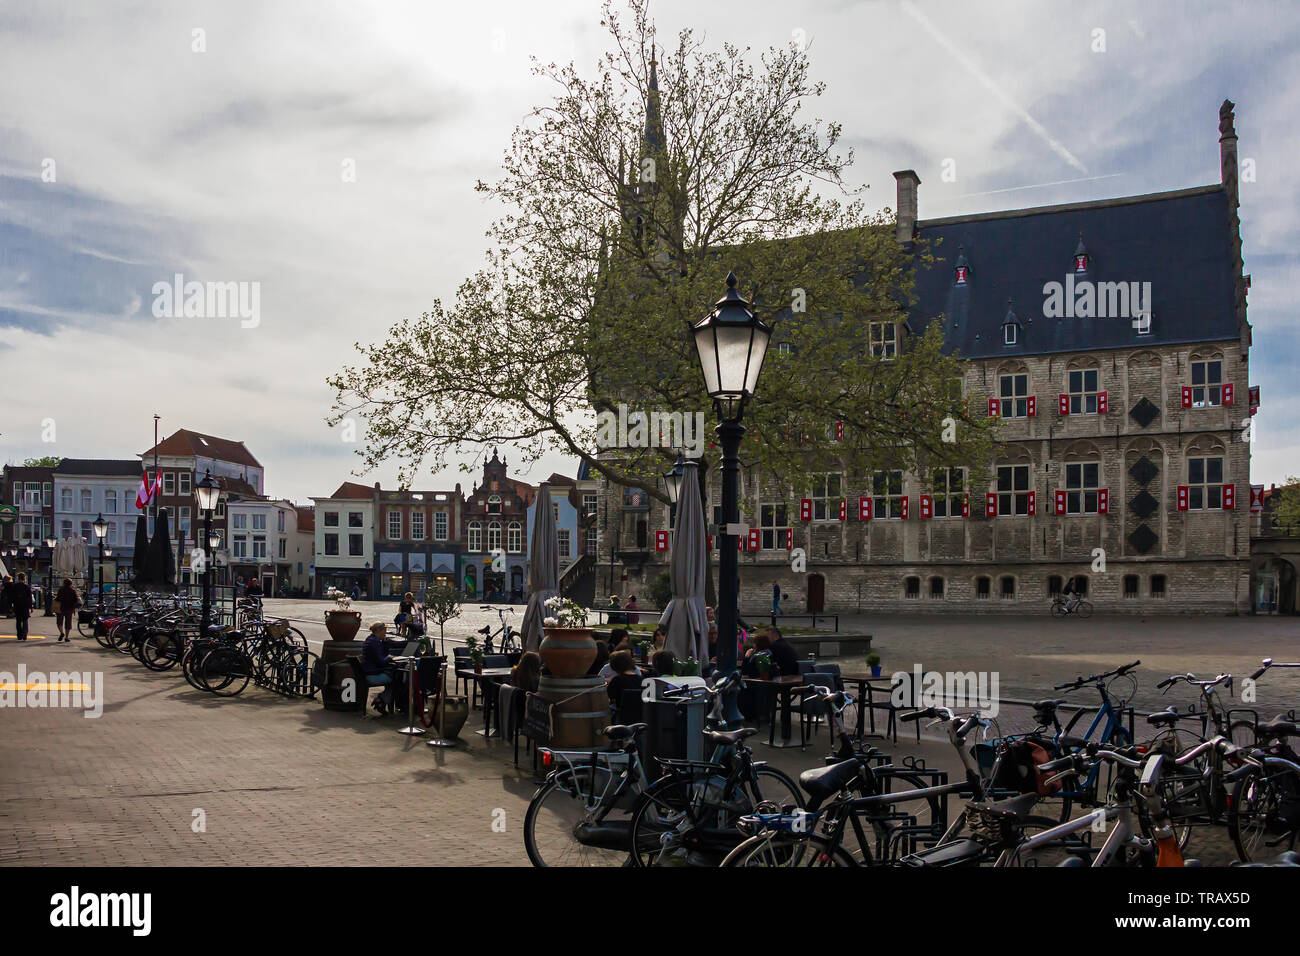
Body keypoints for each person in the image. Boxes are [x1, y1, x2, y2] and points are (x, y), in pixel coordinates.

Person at [361, 622, 397, 714]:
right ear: (378, 631)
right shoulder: (374, 643)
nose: (385, 634)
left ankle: (382, 700)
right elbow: (382, 661)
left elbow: (380, 657)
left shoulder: (370, 639)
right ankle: (382, 699)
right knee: (397, 678)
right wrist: (389, 657)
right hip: (373, 675)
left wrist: (384, 643)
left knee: (394, 678)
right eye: (384, 632)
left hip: (368, 672)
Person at [55, 578, 80, 642]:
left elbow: (58, 598)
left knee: (59, 622)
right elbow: (76, 600)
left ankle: (61, 632)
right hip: (70, 608)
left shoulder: (61, 590)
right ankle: (66, 637)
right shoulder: (73, 590)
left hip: (61, 607)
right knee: (68, 623)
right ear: (71, 584)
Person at [11, 573, 33, 642]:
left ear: (18, 578)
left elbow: (12, 597)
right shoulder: (27, 586)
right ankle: (25, 634)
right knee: (25, 620)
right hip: (25, 606)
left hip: (17, 605)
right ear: (24, 578)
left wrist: (12, 605)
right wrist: (31, 607)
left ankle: (19, 635)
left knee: (18, 621)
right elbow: (29, 597)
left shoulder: (15, 586)